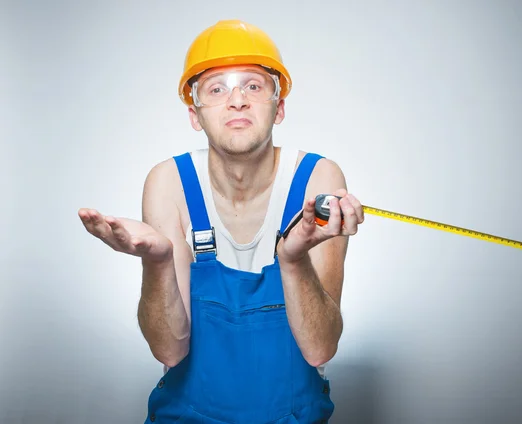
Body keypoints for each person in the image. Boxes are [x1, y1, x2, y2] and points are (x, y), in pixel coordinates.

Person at [78, 19, 364, 423]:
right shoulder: (169, 184)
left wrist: (293, 260)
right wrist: (158, 261)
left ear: (278, 107)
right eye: (217, 88)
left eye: (253, 85)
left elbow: (320, 348)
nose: (237, 100)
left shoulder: (317, 181)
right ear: (195, 114)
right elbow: (169, 350)